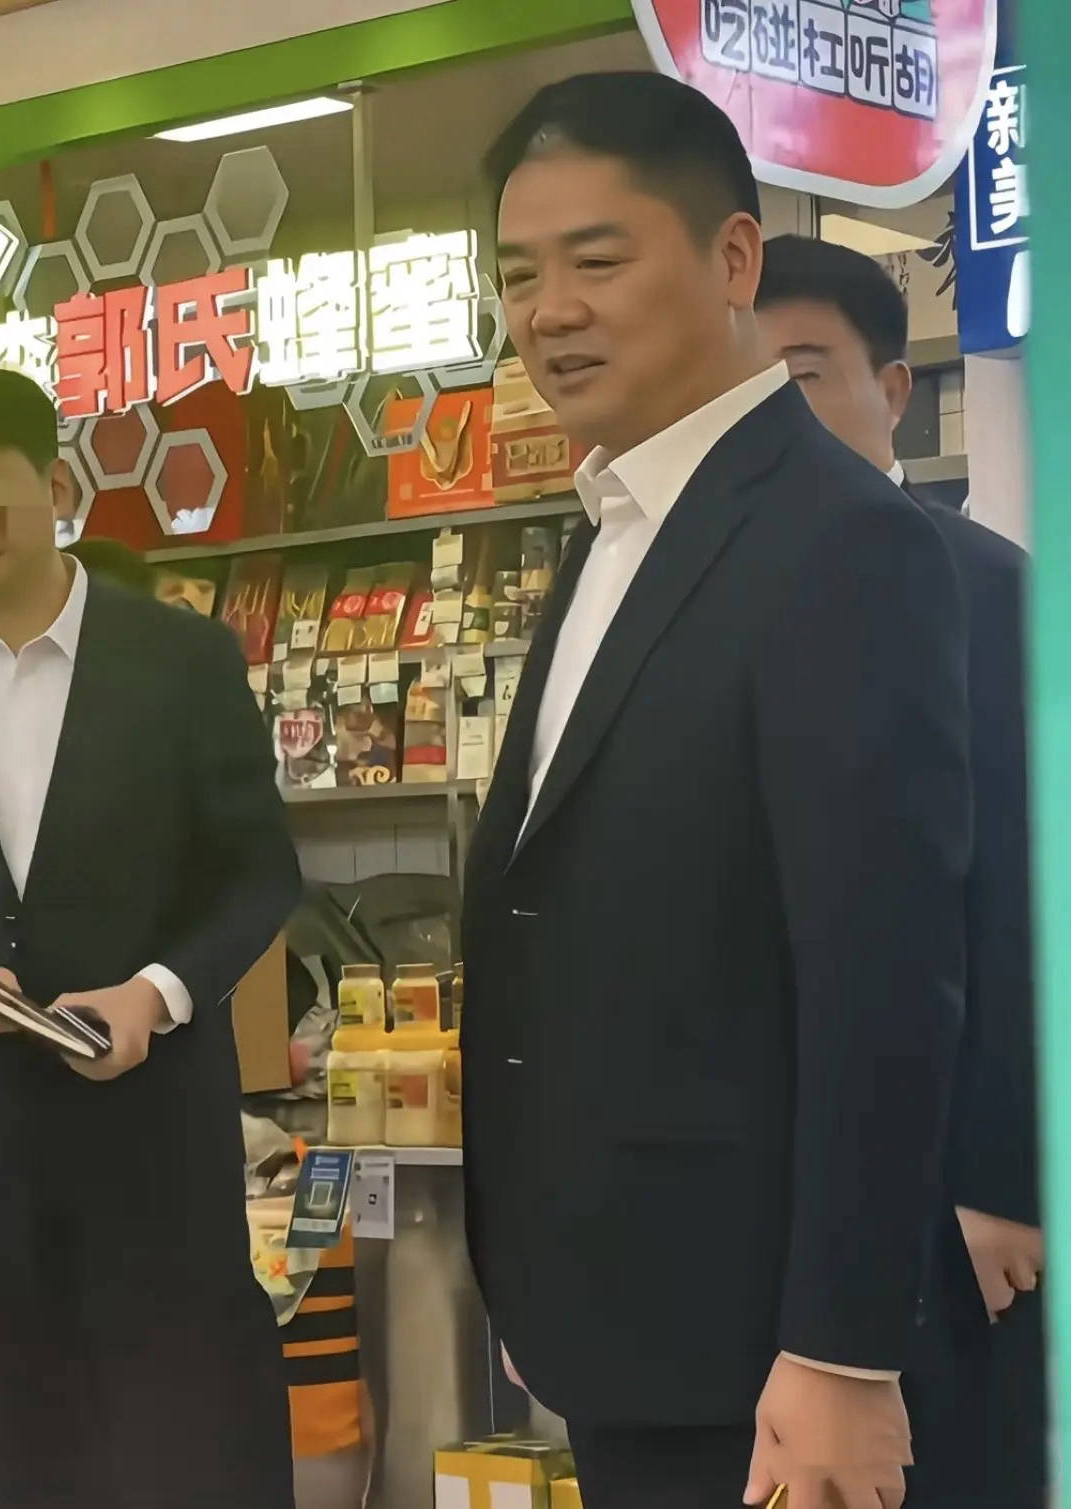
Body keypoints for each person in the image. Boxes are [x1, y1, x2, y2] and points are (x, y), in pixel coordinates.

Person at [463, 72, 971, 1509]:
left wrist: (842, 1350)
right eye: (519, 274)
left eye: (597, 261)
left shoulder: (838, 542)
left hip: (762, 1350)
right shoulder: (615, 521)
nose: (550, 311)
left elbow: (885, 974)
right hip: (620, 1307)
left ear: (733, 259)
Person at [0, 366, 302, 1509]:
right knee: (23, 1442)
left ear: (54, 487)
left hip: (153, 1130)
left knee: (193, 1436)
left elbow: (258, 872)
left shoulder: (180, 660)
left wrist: (157, 992)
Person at [757, 234, 1044, 1509]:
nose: (774, 416)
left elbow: (1026, 896)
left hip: (952, 1210)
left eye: (803, 376)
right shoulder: (723, 594)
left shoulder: (979, 587)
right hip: (773, 1191)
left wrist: (1005, 1178)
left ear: (892, 390)